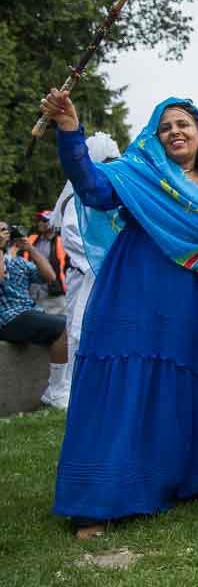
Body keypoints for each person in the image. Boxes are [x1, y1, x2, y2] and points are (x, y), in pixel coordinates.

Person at [42, 90, 198, 539]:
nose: (174, 132)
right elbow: (91, 187)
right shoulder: (140, 173)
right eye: (165, 127)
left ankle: (180, 480)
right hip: (133, 288)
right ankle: (99, 500)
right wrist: (70, 129)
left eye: (183, 124)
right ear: (155, 136)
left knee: (181, 383)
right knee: (125, 383)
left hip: (189, 300)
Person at [43, 132, 121, 410]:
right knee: (79, 332)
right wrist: (109, 262)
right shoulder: (77, 199)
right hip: (88, 278)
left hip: (107, 278)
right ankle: (71, 390)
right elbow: (78, 239)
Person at [0, 221, 67, 374]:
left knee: (72, 326)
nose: (3, 233)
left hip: (28, 312)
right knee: (65, 327)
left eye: (5, 230)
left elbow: (50, 277)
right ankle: (57, 384)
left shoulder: (17, 261)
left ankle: (62, 380)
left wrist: (30, 248)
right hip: (7, 318)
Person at [26, 210, 66, 302]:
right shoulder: (31, 240)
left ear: (54, 223)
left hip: (55, 295)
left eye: (44, 220)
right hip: (32, 293)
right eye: (39, 220)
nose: (40, 223)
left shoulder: (63, 241)